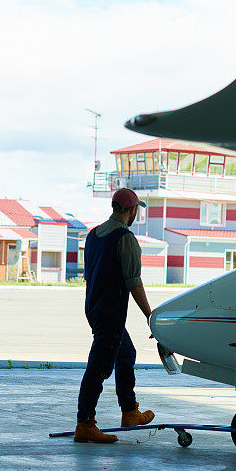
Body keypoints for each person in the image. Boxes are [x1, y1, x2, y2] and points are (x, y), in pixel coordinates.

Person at [74, 188, 155, 443]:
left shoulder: (93, 235)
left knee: (126, 353)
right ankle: (84, 424)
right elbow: (134, 283)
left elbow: (90, 277)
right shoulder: (125, 238)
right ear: (132, 210)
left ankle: (130, 412)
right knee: (98, 368)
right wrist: (150, 316)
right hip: (111, 313)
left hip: (95, 308)